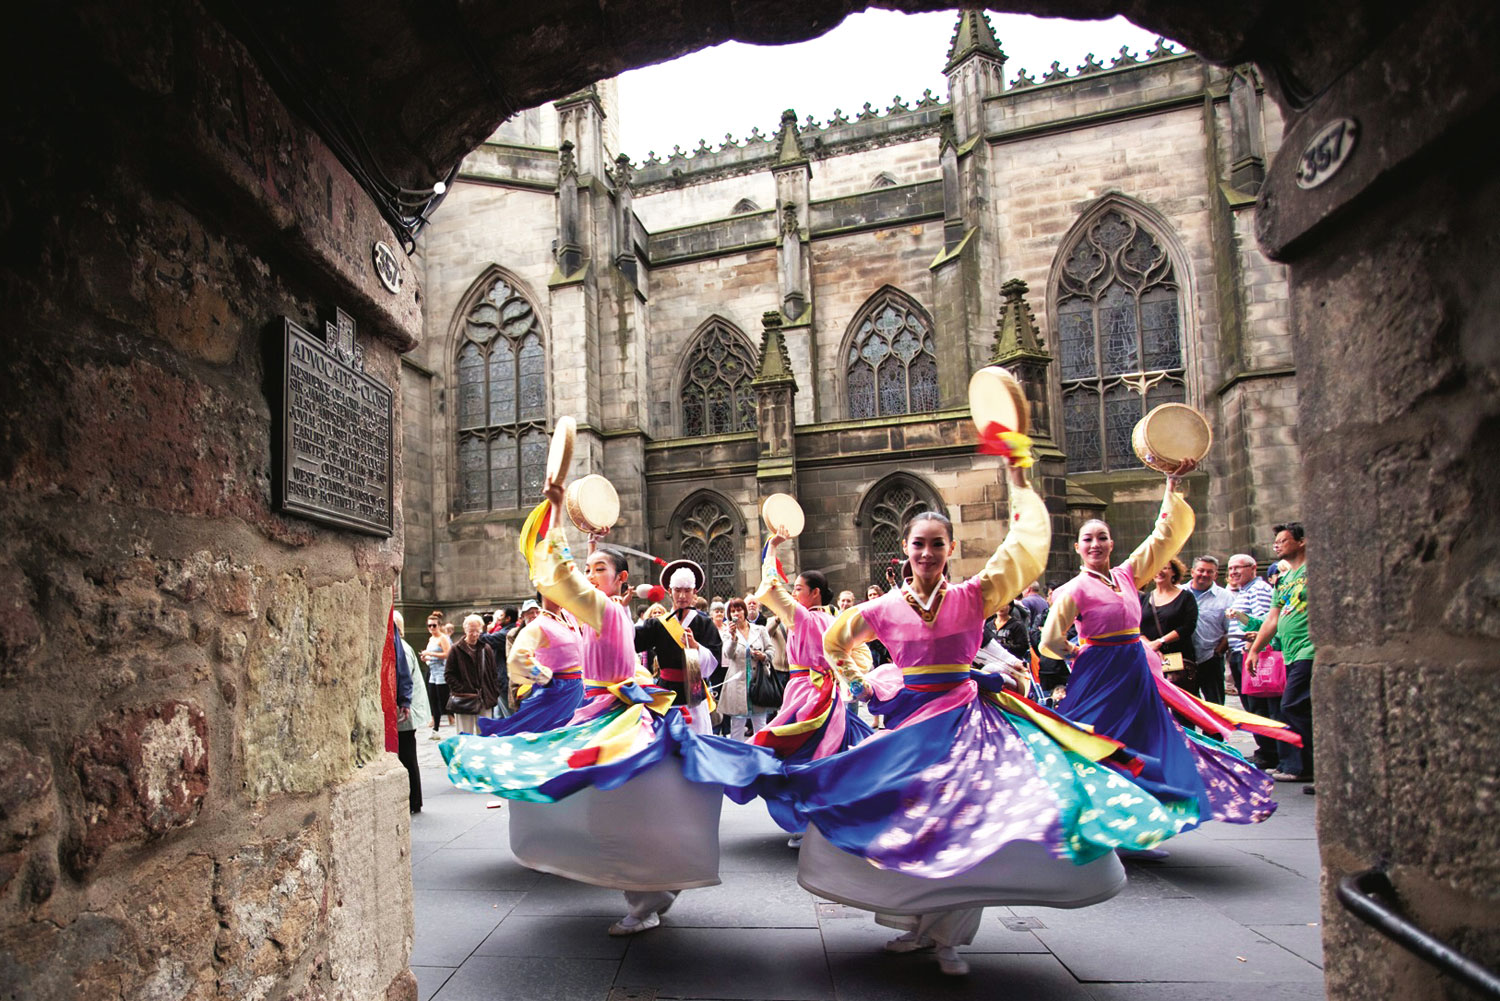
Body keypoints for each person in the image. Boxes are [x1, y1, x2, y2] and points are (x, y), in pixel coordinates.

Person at [765, 459, 1178, 978]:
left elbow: (1021, 552)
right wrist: (857, 682)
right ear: (905, 551)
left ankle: (948, 936)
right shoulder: (885, 607)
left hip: (967, 725)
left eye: (938, 544)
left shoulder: (973, 595)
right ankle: (916, 923)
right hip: (912, 727)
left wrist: (1022, 485)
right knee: (909, 820)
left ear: (950, 550)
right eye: (919, 544)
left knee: (967, 824)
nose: (928, 553)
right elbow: (835, 641)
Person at [442, 484, 783, 938]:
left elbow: (559, 576)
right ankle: (651, 887)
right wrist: (593, 544)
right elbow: (573, 581)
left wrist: (559, 510)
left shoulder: (605, 607)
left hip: (619, 715)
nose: (589, 574)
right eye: (590, 569)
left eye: (598, 570)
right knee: (618, 801)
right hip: (610, 709)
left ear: (619, 581)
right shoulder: (612, 610)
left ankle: (646, 895)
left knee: (619, 805)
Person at [1040, 461, 1301, 853]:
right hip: (1100, 675)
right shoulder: (1073, 590)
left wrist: (1172, 485)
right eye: (1088, 539)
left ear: (1112, 544)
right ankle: (1101, 826)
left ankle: (1142, 827)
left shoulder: (1127, 575)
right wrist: (1077, 652)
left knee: (1149, 745)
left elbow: (1160, 539)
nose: (1095, 544)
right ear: (1077, 547)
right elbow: (1049, 639)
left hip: (1134, 671)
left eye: (1102, 537)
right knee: (1100, 747)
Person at [752, 544, 875, 846]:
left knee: (798, 749)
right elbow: (862, 654)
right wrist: (853, 682)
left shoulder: (803, 619)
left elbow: (770, 588)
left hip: (806, 692)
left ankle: (804, 818)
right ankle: (827, 814)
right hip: (829, 693)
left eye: (799, 589)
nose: (794, 594)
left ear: (815, 592)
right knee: (831, 749)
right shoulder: (836, 621)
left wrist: (772, 548)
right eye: (794, 589)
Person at [1245, 523, 1316, 787]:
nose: (1277, 545)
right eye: (1276, 541)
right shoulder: (1284, 579)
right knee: (1297, 707)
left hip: (1310, 648)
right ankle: (1300, 764)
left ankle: (1303, 765)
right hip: (1291, 652)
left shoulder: (1313, 570)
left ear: (1302, 541)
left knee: (1292, 705)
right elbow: (1272, 618)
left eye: (1283, 540)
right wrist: (1255, 649)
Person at [473, 594, 586, 738]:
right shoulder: (540, 624)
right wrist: (546, 678)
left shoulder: (569, 617)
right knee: (553, 739)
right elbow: (517, 657)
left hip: (578, 690)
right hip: (558, 692)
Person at [637, 560, 723, 734]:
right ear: (670, 591)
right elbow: (632, 640)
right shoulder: (657, 624)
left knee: (697, 741)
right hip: (666, 693)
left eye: (687, 591)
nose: (682, 596)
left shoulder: (705, 623)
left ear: (694, 593)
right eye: (677, 590)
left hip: (695, 695)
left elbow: (714, 662)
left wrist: (696, 647)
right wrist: (619, 610)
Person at [1224, 554, 1278, 770]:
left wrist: (1251, 647)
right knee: (1252, 705)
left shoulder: (1258, 590)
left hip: (1251, 652)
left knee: (1259, 706)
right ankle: (1265, 750)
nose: (1234, 572)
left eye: (1239, 568)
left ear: (1254, 568)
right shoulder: (1243, 591)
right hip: (1241, 651)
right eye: (1230, 569)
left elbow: (1262, 623)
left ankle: (1269, 752)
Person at [1141, 557, 1199, 697]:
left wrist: (1160, 642)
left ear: (1174, 572)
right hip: (1152, 657)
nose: (1159, 572)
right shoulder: (1143, 598)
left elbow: (1188, 626)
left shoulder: (1185, 597)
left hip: (1179, 657)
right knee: (1155, 701)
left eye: (1165, 568)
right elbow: (1135, 627)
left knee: (1183, 700)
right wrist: (1150, 646)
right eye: (1156, 568)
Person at [392, 611, 431, 812]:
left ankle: (414, 800)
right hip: (406, 711)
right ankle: (413, 800)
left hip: (404, 712)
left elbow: (402, 678)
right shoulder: (403, 647)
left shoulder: (402, 649)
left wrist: (403, 703)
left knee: (407, 757)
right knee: (407, 756)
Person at [719, 597, 773, 740]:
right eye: (732, 611)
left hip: (758, 682)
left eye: (739, 610)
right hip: (738, 683)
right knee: (737, 724)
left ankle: (761, 752)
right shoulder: (727, 633)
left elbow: (771, 650)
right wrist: (733, 638)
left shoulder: (759, 630)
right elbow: (728, 654)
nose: (736, 614)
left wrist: (764, 656)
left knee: (760, 722)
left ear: (745, 611)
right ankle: (737, 755)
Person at [1187, 556, 1234, 706]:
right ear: (1192, 571)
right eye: (1201, 570)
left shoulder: (1226, 597)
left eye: (1209, 571)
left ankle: (1214, 731)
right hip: (1182, 659)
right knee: (1185, 706)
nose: (1204, 574)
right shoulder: (1178, 593)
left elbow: (1231, 628)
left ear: (1216, 574)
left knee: (1215, 706)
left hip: (1210, 658)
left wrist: (1218, 652)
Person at [444, 614, 500, 735]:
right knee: (464, 735)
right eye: (471, 631)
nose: (474, 634)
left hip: (484, 698)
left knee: (485, 735)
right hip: (464, 699)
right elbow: (449, 674)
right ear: (465, 630)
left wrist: (493, 693)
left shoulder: (486, 648)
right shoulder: (456, 649)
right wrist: (462, 689)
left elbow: (493, 673)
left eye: (477, 631)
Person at [421, 613, 453, 738]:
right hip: (432, 671)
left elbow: (447, 654)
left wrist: (430, 654)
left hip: (441, 671)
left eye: (434, 625)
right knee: (433, 699)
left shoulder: (443, 638)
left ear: (439, 626)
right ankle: (436, 729)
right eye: (429, 626)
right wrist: (426, 657)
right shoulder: (431, 639)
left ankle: (453, 717)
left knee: (443, 699)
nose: (432, 628)